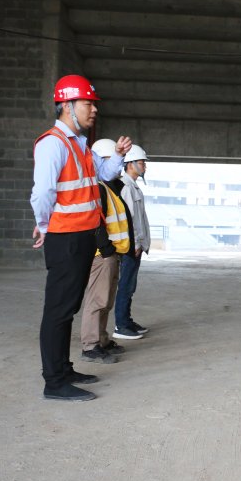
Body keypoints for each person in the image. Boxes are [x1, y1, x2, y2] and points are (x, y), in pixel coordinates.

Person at [30, 74, 132, 401]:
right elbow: (42, 193)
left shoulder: (80, 145)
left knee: (69, 306)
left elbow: (102, 177)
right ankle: (54, 382)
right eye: (88, 103)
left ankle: (64, 369)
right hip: (66, 238)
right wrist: (43, 225)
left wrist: (116, 155)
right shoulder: (53, 143)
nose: (93, 110)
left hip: (83, 236)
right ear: (68, 106)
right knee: (59, 310)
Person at [78, 138, 133, 364]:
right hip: (103, 256)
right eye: (112, 160)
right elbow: (95, 223)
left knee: (106, 301)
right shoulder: (99, 189)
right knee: (97, 301)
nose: (118, 167)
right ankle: (90, 346)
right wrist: (106, 249)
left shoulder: (111, 188)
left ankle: (102, 340)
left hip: (112, 254)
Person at [114, 145, 152, 340]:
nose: (144, 166)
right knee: (126, 284)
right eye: (141, 162)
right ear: (129, 164)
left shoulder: (134, 186)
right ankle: (121, 325)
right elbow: (129, 220)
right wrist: (136, 243)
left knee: (130, 284)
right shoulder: (126, 187)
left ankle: (127, 320)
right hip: (130, 246)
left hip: (136, 245)